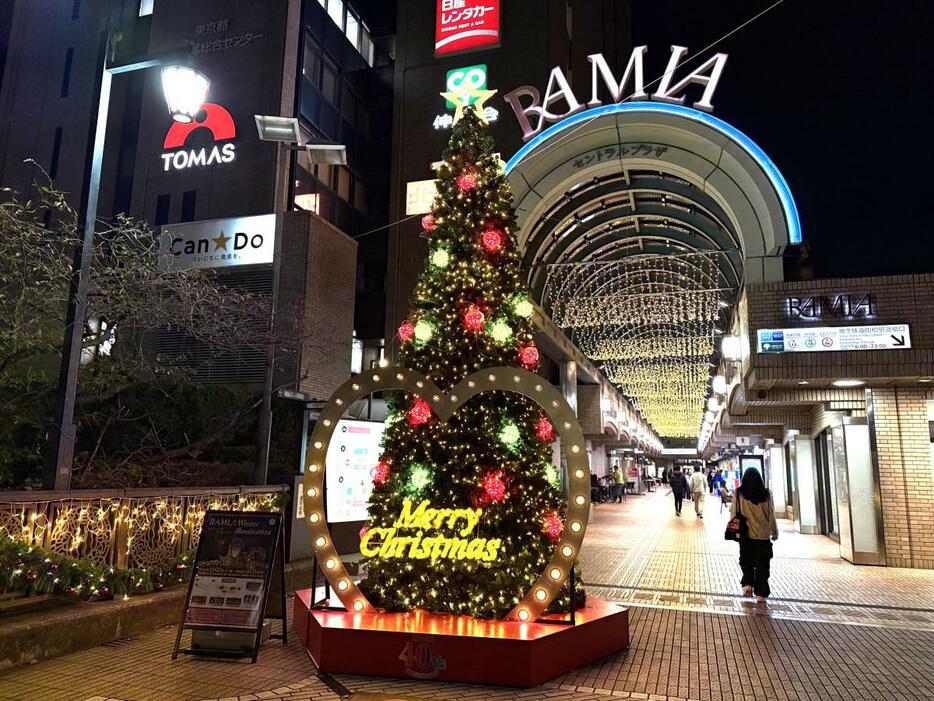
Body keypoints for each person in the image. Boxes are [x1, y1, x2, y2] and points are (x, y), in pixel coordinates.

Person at [730, 467, 779, 603]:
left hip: (746, 536)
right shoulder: (766, 494)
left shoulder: (739, 492)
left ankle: (747, 585)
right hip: (763, 536)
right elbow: (771, 514)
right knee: (763, 564)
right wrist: (774, 532)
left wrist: (736, 532)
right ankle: (761, 594)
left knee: (746, 561)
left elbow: (734, 512)